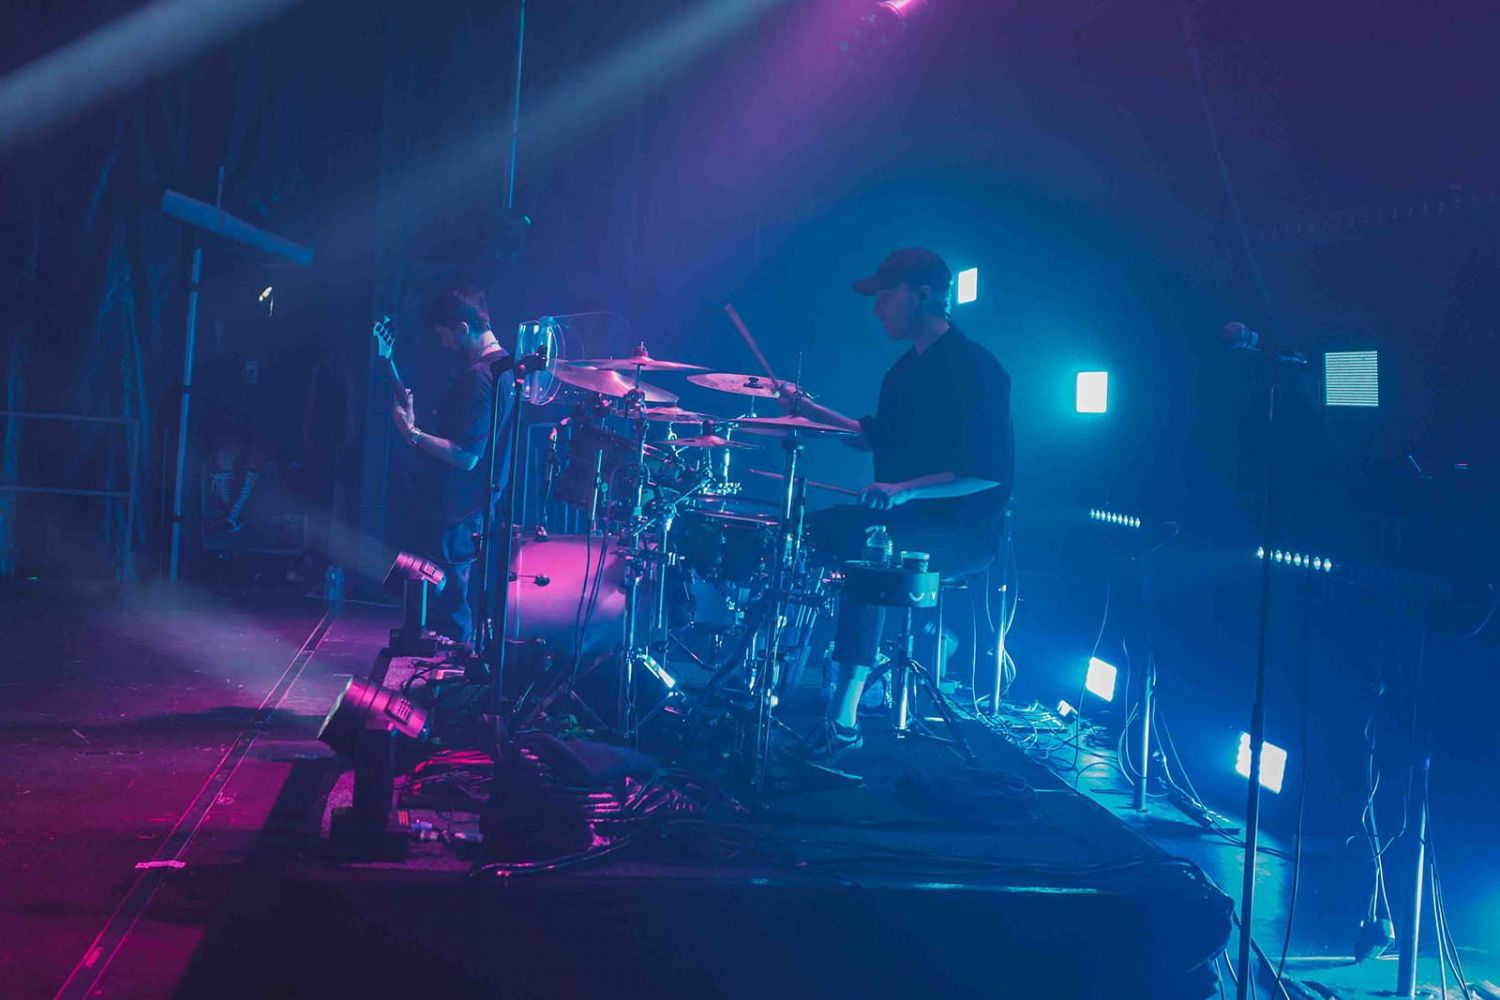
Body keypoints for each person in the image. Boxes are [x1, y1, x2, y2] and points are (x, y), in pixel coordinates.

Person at [780, 247, 1014, 761]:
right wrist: (807, 410)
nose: (877, 308)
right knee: (801, 530)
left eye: (885, 296)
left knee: (869, 554)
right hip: (900, 519)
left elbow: (987, 472)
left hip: (961, 531)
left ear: (922, 295)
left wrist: (906, 489)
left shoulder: (978, 369)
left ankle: (844, 719)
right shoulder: (902, 373)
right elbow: (873, 438)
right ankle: (775, 679)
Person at [390, 286, 513, 644]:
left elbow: (466, 456)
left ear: (463, 328)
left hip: (457, 512)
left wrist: (412, 433)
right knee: (452, 607)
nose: (443, 345)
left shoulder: (479, 377)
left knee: (449, 615)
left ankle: (447, 675)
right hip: (474, 508)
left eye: (444, 335)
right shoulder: (506, 368)